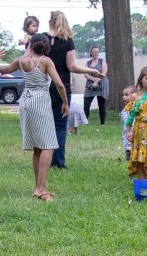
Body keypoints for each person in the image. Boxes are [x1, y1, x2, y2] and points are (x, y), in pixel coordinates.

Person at [0, 34, 68, 202]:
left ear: (31, 44)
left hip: (25, 101)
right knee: (48, 145)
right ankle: (41, 189)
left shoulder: (21, 60)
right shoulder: (46, 61)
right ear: (46, 46)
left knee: (37, 147)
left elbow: (3, 70)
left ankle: (39, 187)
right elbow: (60, 84)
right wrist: (65, 103)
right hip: (40, 100)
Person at [43, 11, 104, 169]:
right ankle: (58, 162)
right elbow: (72, 66)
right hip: (60, 86)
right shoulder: (67, 41)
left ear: (50, 22)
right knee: (61, 125)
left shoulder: (41, 39)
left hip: (43, 85)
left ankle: (45, 161)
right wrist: (91, 70)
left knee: (46, 125)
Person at [83, 46, 108, 125]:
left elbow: (104, 73)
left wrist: (97, 81)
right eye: (94, 52)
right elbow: (85, 74)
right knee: (86, 104)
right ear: (91, 53)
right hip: (90, 86)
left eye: (97, 52)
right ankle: (85, 122)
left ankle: (102, 123)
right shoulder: (87, 63)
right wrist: (94, 80)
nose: (96, 53)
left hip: (100, 85)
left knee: (101, 105)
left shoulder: (102, 61)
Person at [120, 85, 135, 162]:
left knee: (133, 148)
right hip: (126, 132)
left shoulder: (135, 109)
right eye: (123, 95)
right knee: (127, 147)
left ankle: (132, 160)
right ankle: (128, 159)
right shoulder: (125, 109)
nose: (124, 97)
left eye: (126, 95)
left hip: (133, 133)